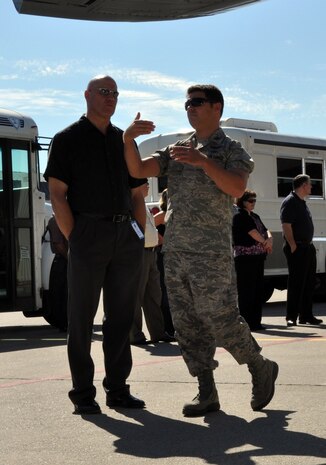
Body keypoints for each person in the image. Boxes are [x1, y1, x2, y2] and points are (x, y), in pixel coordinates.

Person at [123, 83, 279, 417]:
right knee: (187, 323)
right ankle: (207, 391)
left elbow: (236, 187)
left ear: (216, 107)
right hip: (176, 251)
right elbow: (137, 170)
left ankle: (260, 366)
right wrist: (128, 140)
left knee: (220, 318)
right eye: (187, 103)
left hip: (211, 253)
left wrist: (203, 161)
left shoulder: (230, 149)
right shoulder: (178, 149)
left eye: (197, 102)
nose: (190, 108)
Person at [44, 75, 146, 415]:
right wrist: (76, 237)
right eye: (104, 92)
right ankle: (83, 394)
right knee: (81, 319)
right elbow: (57, 195)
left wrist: (139, 234)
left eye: (115, 93)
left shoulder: (124, 140)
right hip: (88, 233)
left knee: (121, 318)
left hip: (125, 237)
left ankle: (117, 390)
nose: (110, 98)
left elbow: (137, 194)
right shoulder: (66, 139)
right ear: (87, 95)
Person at [130, 180, 174, 345]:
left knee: (154, 295)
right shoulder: (132, 204)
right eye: (145, 183)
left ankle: (158, 332)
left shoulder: (143, 204)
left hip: (151, 253)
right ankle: (135, 334)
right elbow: (134, 227)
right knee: (136, 296)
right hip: (139, 254)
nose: (148, 185)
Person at [280, 174, 323, 327]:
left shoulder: (301, 202)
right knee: (296, 283)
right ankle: (291, 316)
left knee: (309, 283)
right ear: (303, 185)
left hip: (307, 247)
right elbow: (286, 225)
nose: (311, 187)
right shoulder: (290, 201)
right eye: (310, 184)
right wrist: (292, 244)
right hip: (297, 246)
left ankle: (306, 315)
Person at [232, 190, 273, 331]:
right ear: (242, 201)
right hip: (245, 258)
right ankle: (246, 322)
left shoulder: (255, 216)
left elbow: (266, 230)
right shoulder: (239, 216)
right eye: (250, 200)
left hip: (258, 257)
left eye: (254, 200)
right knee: (246, 291)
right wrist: (265, 242)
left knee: (257, 290)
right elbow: (252, 232)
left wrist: (270, 238)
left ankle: (256, 322)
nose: (253, 203)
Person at [153, 188, 175, 337]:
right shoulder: (162, 215)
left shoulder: (175, 214)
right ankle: (167, 327)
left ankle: (173, 326)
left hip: (173, 256)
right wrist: (164, 241)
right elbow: (148, 228)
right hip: (163, 255)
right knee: (165, 292)